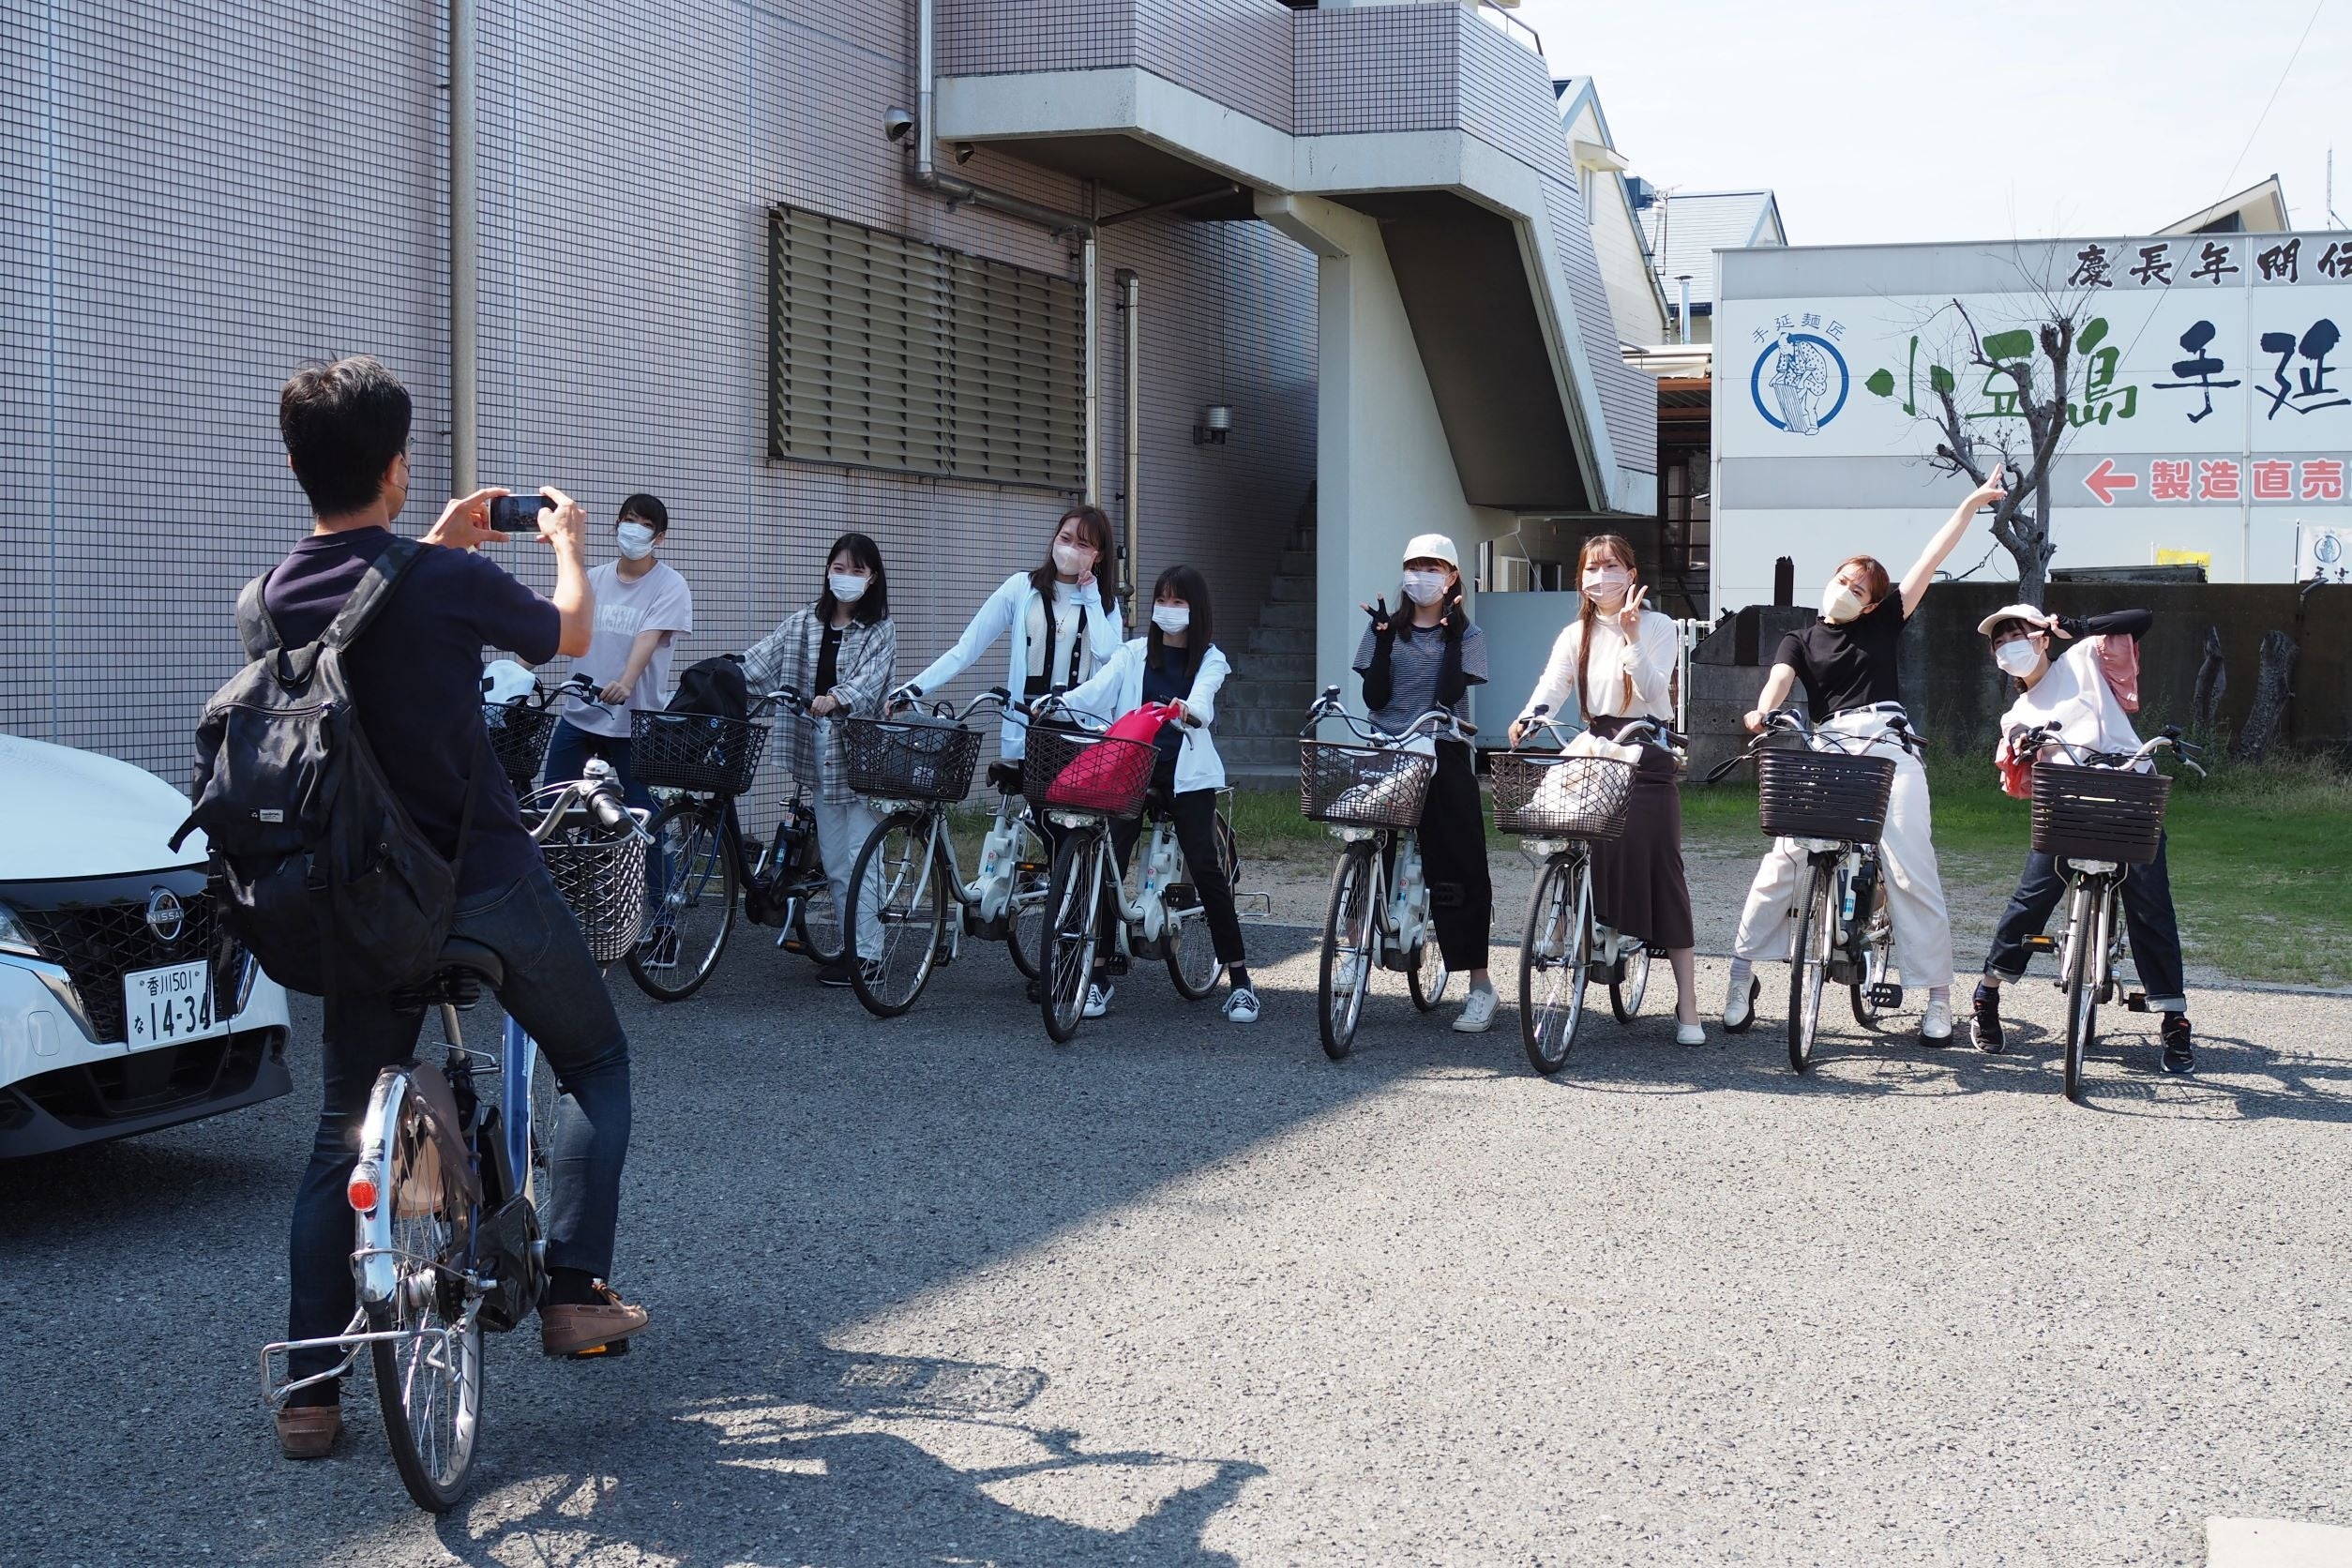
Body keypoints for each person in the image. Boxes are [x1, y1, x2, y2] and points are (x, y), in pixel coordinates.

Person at [261, 356, 644, 1461]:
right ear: (396, 463)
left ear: (295, 466)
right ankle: (575, 1288)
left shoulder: (279, 592)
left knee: (342, 1141)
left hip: (364, 906)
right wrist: (566, 542)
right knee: (600, 1065)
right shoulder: (447, 586)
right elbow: (569, 634)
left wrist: (427, 536)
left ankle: (310, 1393)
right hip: (485, 883)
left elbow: (370, 617)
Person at [1725, 465, 2009, 1044]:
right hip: (1827, 744)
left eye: (1862, 589)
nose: (1850, 590)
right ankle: (1740, 973)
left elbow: (1932, 556)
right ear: (1830, 579)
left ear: (1875, 602)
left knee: (1910, 862)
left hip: (1887, 743)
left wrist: (1971, 506)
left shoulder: (1885, 624)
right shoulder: (1801, 636)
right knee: (1786, 854)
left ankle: (1936, 996)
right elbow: (1779, 681)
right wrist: (1760, 711)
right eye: (1846, 580)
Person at [1972, 604, 2194, 1073]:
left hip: (2130, 791)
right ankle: (1987, 994)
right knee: (2031, 898)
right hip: (2068, 808)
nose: (2010, 642)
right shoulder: (2017, 712)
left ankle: (2174, 1019)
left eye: (2020, 632)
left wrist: (2079, 627)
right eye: (2000, 639)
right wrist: (2023, 744)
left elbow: (2140, 619)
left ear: (2043, 637)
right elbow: (2018, 762)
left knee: (2151, 905)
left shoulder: (2084, 659)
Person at [1509, 535, 1704, 1045]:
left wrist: (1634, 639)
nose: (1601, 578)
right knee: (1562, 823)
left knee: (1662, 863)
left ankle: (1688, 1003)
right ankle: (1568, 916)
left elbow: (1657, 698)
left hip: (1646, 743)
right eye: (1592, 569)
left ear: (1631, 571)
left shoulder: (1657, 625)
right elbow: (1554, 684)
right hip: (1595, 744)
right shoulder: (1577, 632)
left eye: (1611, 566)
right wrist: (1532, 716)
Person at [1063, 565, 1258, 1023]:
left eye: (1179, 602)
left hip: (1187, 776)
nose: (1168, 610)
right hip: (1134, 770)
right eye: (1163, 601)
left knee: (1206, 867)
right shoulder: (1133, 654)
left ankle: (1241, 980)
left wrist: (1188, 709)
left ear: (1197, 610)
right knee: (1107, 858)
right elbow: (1096, 689)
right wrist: (1058, 701)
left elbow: (1206, 700)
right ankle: (1098, 974)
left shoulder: (1210, 658)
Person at [740, 534, 898, 987]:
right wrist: (721, 677)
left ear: (872, 579)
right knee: (834, 860)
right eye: (839, 568)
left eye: (857, 570)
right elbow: (760, 663)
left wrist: (834, 698)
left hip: (864, 759)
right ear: (827, 571)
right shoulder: (804, 623)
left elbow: (869, 685)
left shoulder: (879, 630)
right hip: (822, 762)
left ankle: (868, 954)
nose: (845, 577)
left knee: (862, 854)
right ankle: (852, 946)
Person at [1355, 534, 1495, 1033]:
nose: (1422, 576)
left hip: (1443, 749)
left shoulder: (1469, 636)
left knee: (1460, 861)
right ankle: (1353, 949)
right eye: (1414, 566)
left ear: (1453, 576)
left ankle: (1479, 984)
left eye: (1433, 567)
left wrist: (1452, 635)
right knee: (1363, 845)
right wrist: (1384, 638)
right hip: (1389, 751)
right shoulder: (1383, 628)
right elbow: (1374, 694)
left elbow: (1449, 694)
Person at [895, 505, 1123, 768]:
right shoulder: (1021, 587)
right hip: (1031, 721)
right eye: (1065, 538)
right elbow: (968, 646)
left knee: (1080, 809)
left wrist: (1091, 595)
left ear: (1098, 555)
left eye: (1082, 544)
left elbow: (1107, 654)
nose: (1070, 549)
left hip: (1085, 727)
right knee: (1039, 806)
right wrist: (915, 687)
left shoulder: (1104, 603)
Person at [541, 493, 693, 830]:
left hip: (635, 723)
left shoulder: (670, 585)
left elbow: (647, 638)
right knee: (550, 810)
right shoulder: (593, 578)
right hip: (581, 712)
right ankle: (554, 881)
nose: (636, 529)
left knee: (643, 822)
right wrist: (519, 668)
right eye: (630, 520)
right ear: (617, 525)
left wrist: (626, 681)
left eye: (647, 525)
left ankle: (656, 885)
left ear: (660, 538)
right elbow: (558, 624)